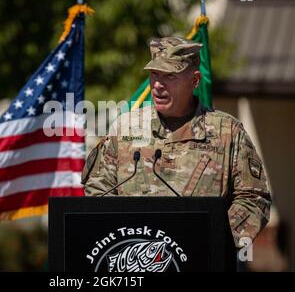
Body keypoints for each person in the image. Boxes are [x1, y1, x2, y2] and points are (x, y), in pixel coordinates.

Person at [81, 36, 272, 249]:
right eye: (154, 74)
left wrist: (215, 238)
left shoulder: (227, 131)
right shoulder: (125, 128)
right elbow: (98, 189)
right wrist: (124, 237)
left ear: (195, 80)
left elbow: (254, 198)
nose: (158, 86)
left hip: (200, 260)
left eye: (170, 76)